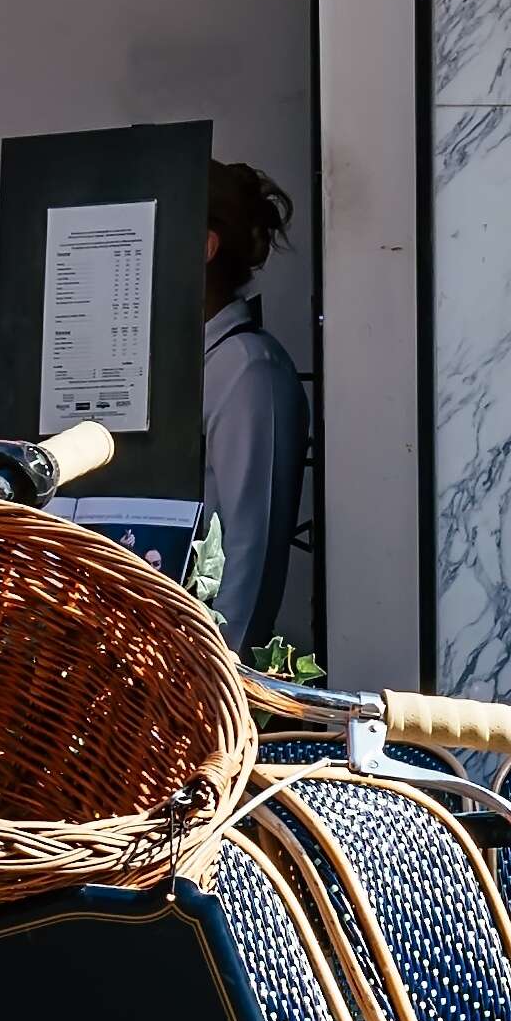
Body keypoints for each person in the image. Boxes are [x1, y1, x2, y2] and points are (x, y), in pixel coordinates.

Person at [195, 158, 309, 655]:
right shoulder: (204, 361)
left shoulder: (246, 368)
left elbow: (248, 555)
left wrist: (208, 690)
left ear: (205, 246)